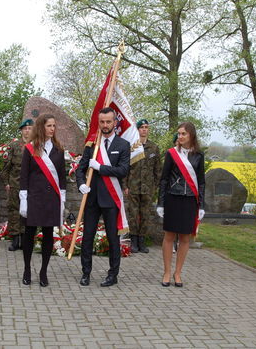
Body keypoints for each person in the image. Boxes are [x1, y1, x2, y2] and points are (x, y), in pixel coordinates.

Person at [76, 107, 130, 287]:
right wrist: (81, 184)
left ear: (115, 123)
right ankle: (86, 273)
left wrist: (100, 167)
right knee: (87, 237)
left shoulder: (123, 145)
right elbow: (80, 169)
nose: (105, 125)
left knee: (113, 238)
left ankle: (112, 275)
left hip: (111, 199)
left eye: (108, 121)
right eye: (102, 122)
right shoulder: (92, 144)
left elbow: (123, 171)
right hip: (91, 199)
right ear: (98, 123)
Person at [19, 114, 66, 287]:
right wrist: (23, 200)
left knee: (48, 235)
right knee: (29, 234)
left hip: (51, 199)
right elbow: (23, 176)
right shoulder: (30, 149)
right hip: (34, 199)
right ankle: (26, 269)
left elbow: (62, 177)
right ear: (41, 127)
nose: (52, 129)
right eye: (49, 126)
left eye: (54, 126)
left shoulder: (59, 149)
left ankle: (44, 271)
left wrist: (62, 199)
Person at [157, 122, 205, 288]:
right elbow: (164, 179)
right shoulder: (171, 154)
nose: (180, 136)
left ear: (191, 135)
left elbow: (201, 182)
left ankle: (178, 273)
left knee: (185, 238)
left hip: (190, 200)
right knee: (169, 236)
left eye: (183, 133)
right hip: (173, 198)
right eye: (179, 134)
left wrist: (202, 205)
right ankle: (167, 272)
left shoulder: (199, 155)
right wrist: (160, 203)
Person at [124, 119, 161, 253]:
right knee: (133, 214)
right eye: (142, 127)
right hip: (133, 186)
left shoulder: (154, 148)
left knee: (146, 214)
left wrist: (155, 186)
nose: (144, 129)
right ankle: (133, 240)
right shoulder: (132, 147)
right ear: (137, 130)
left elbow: (158, 170)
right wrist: (125, 185)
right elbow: (126, 168)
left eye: (146, 127)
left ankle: (141, 240)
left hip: (148, 188)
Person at [1, 119, 33, 251]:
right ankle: (15, 240)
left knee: (28, 212)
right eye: (25, 129)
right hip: (15, 184)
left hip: (31, 185)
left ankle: (25, 240)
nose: (27, 131)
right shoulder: (14, 146)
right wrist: (6, 183)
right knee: (14, 211)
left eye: (30, 128)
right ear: (21, 131)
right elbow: (6, 167)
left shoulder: (37, 145)